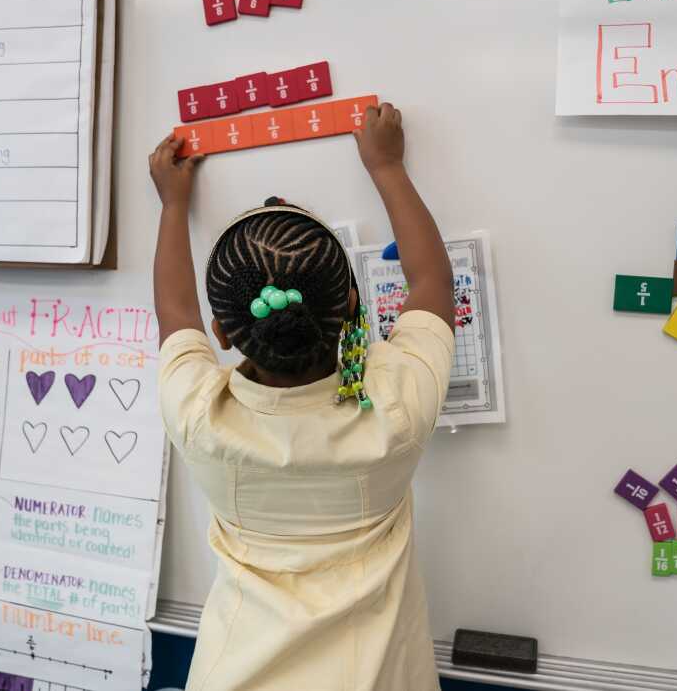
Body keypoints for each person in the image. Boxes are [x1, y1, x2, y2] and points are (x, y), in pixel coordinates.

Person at [150, 103, 455, 691]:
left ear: (223, 334)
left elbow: (174, 313)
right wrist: (387, 166)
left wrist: (172, 206)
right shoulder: (396, 409)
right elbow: (434, 284)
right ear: (350, 305)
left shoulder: (198, 417)